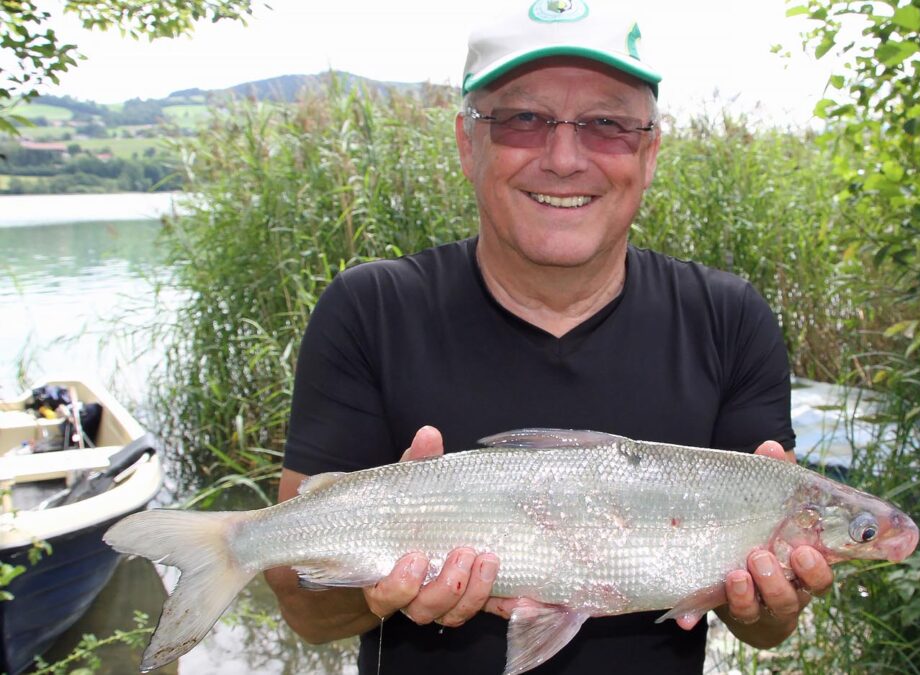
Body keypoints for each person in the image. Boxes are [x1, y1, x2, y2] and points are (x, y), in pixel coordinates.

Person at [265, 2, 834, 673]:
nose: (564, 159)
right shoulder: (370, 311)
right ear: (465, 143)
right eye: (522, 119)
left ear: (649, 153)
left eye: (608, 124)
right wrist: (386, 571)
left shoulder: (729, 320)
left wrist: (770, 598)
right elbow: (304, 609)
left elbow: (765, 629)